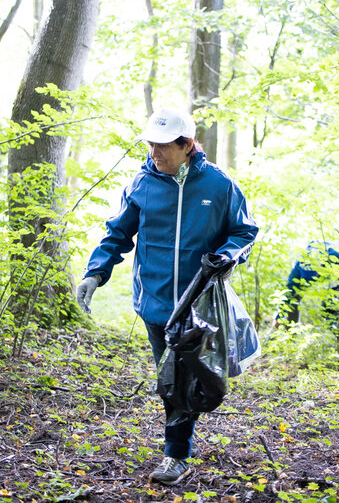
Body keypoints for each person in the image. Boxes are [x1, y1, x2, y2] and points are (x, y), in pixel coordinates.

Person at [75, 107, 258, 485]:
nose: (155, 154)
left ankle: (184, 433)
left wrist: (227, 255)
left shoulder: (219, 186)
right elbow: (118, 235)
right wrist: (96, 272)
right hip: (155, 304)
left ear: (187, 145)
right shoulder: (142, 184)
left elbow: (244, 232)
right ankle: (176, 454)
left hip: (199, 305)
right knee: (172, 381)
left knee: (194, 380)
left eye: (163, 147)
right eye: (151, 146)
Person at [275, 239, 339, 347]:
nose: (314, 279)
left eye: (314, 275)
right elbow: (288, 293)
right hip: (310, 281)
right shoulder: (297, 270)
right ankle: (291, 338)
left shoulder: (335, 254)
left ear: (320, 264)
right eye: (309, 277)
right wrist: (278, 317)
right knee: (294, 298)